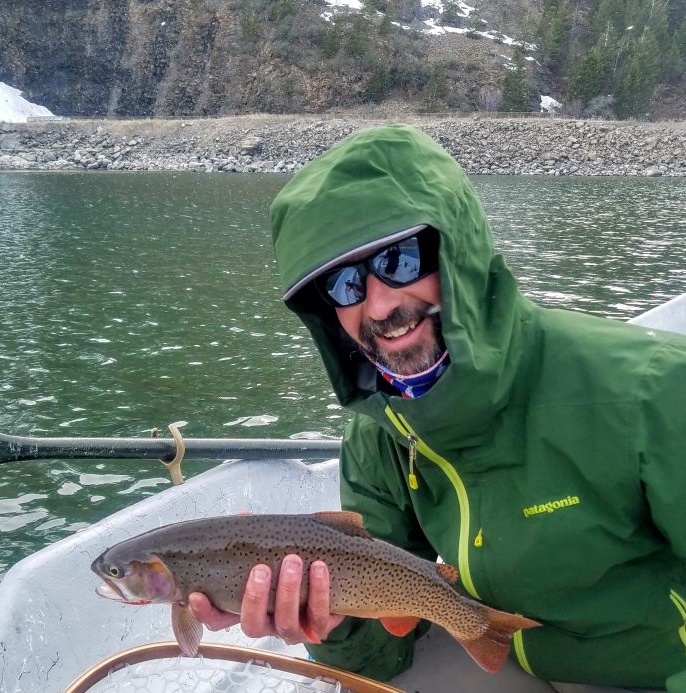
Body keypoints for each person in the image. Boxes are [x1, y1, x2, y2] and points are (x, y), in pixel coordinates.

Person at [190, 125, 686, 692]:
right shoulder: (377, 432)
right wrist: (326, 620)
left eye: (400, 260)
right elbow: (380, 656)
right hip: (503, 652)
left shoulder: (656, 391)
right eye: (344, 284)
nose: (379, 305)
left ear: (460, 249)